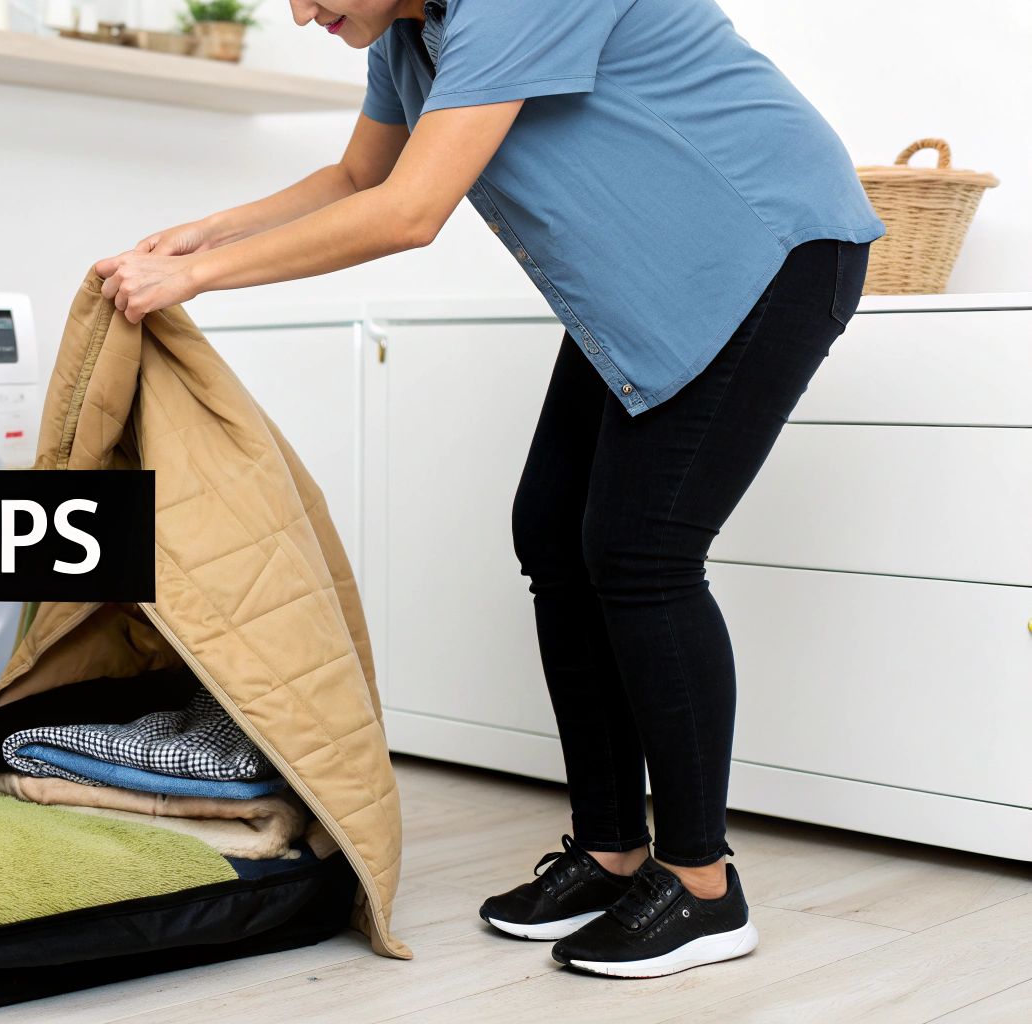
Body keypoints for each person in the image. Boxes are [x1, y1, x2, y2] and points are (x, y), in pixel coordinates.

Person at [93, 0, 881, 978]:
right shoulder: (404, 31)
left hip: (768, 248)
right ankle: (609, 850)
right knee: (552, 532)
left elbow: (406, 212)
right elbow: (356, 174)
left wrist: (201, 279)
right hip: (650, 278)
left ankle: (701, 885)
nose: (299, 12)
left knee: (641, 550)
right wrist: (193, 237)